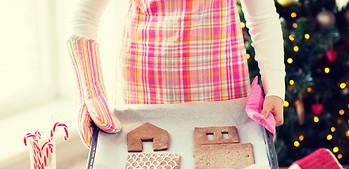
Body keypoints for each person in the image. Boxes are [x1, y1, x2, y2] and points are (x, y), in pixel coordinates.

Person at [68, 0, 285, 147]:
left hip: (220, 88)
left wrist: (275, 88)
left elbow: (262, 18)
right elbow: (85, 17)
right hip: (143, 89)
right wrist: (89, 91)